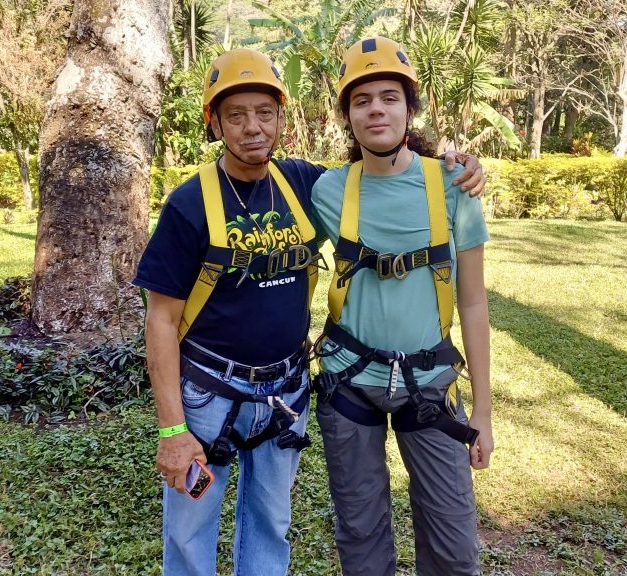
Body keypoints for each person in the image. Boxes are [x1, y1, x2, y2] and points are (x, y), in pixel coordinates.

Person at [133, 48, 485, 576]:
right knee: (189, 531)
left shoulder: (304, 185)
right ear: (214, 123)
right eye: (236, 115)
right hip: (209, 392)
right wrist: (171, 430)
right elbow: (159, 319)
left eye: (265, 113)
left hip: (285, 391)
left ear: (281, 118)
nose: (253, 128)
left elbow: (388, 177)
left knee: (271, 524)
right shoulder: (194, 203)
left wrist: (459, 165)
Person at [310, 36, 495, 576]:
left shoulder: (453, 186)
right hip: (349, 383)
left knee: (454, 543)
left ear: (410, 108)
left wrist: (482, 412)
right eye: (361, 100)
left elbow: (476, 304)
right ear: (347, 115)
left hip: (430, 381)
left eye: (389, 97)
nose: (376, 110)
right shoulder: (328, 190)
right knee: (361, 535)